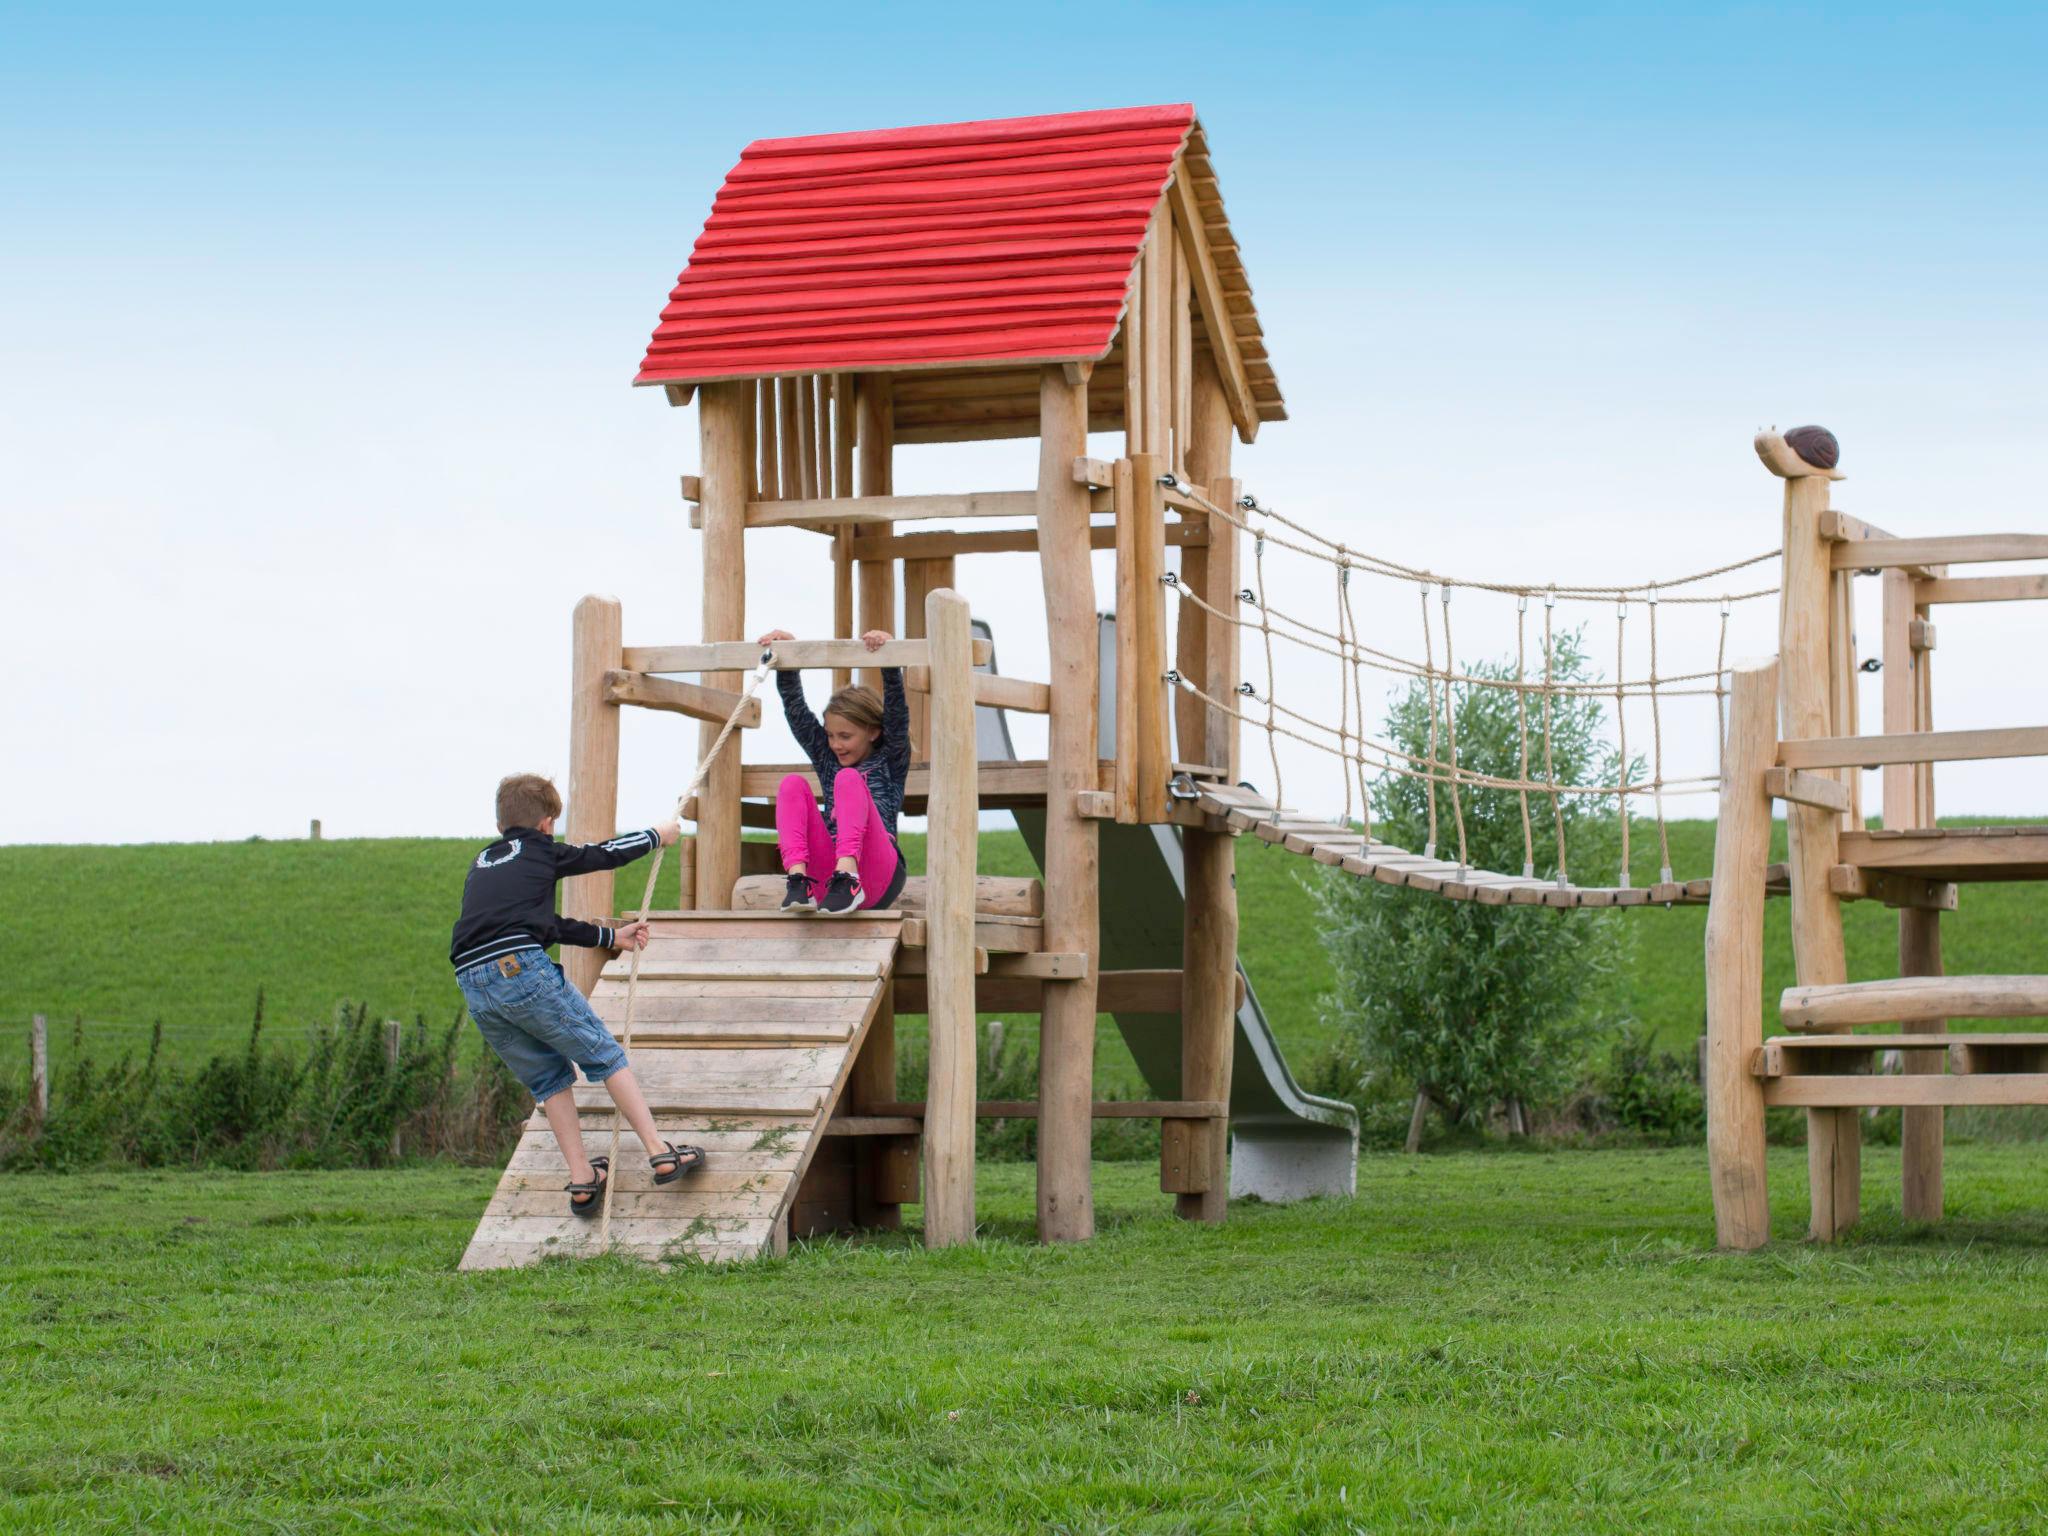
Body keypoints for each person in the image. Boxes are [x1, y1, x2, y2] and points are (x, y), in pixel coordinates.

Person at [449, 772, 703, 1216]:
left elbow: (545, 926)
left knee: (549, 1079)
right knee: (604, 1054)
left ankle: (583, 1179)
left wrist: (609, 936)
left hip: (474, 983)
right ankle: (659, 1152)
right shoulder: (540, 850)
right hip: (520, 971)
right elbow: (602, 856)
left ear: (499, 826)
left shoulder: (484, 862)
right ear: (548, 824)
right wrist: (655, 836)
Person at [757, 627, 910, 915]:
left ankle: (849, 877)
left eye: (845, 736)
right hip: (828, 883)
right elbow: (797, 712)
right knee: (791, 785)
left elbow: (897, 716)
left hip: (877, 876)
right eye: (830, 735)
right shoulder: (829, 761)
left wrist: (890, 660)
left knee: (848, 779)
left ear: (873, 732)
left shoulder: (890, 759)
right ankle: (799, 881)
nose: (836, 745)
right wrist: (787, 659)